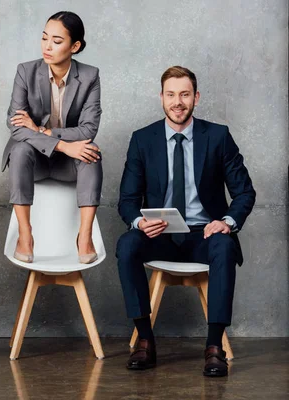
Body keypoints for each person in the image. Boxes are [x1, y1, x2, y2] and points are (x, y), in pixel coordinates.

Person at [116, 66, 256, 377]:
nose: (177, 101)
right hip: (160, 235)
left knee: (224, 246)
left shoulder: (218, 136)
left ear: (196, 97)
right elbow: (127, 201)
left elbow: (244, 192)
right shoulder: (142, 139)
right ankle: (145, 341)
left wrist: (227, 221)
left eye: (184, 94)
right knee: (126, 245)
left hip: (203, 236)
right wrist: (139, 223)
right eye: (171, 95)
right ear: (161, 98)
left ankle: (214, 346)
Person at [1, 11, 103, 264]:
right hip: (31, 162)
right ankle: (25, 235)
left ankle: (84, 237)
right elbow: (15, 126)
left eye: (57, 41)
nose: (47, 46)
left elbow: (88, 129)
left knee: (91, 152)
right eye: (44, 38)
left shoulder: (90, 76)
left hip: (66, 165)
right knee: (20, 149)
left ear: (75, 46)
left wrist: (41, 131)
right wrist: (62, 145)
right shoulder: (26, 71)